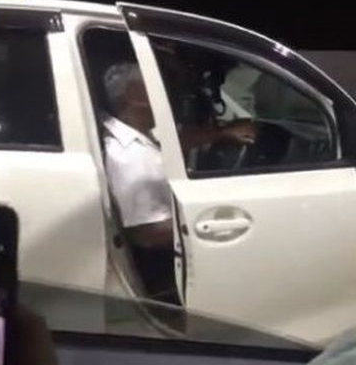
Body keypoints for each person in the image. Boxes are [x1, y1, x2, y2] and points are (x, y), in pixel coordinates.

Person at [102, 63, 256, 305]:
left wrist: (223, 133)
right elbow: (147, 234)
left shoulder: (132, 131)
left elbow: (171, 141)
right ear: (134, 96)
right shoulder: (130, 157)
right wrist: (207, 218)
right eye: (158, 85)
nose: (168, 92)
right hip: (161, 266)